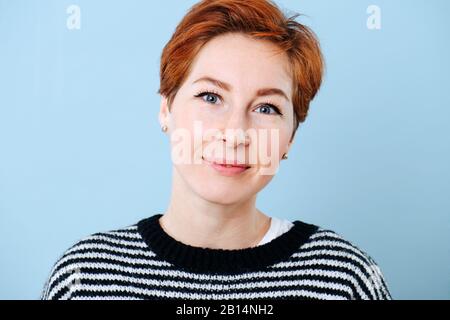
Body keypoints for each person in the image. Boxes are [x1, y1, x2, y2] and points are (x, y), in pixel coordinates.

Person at [41, 0, 392, 300]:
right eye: (211, 97)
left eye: (266, 108)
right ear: (166, 109)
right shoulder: (85, 278)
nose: (236, 133)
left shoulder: (345, 279)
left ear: (290, 138)